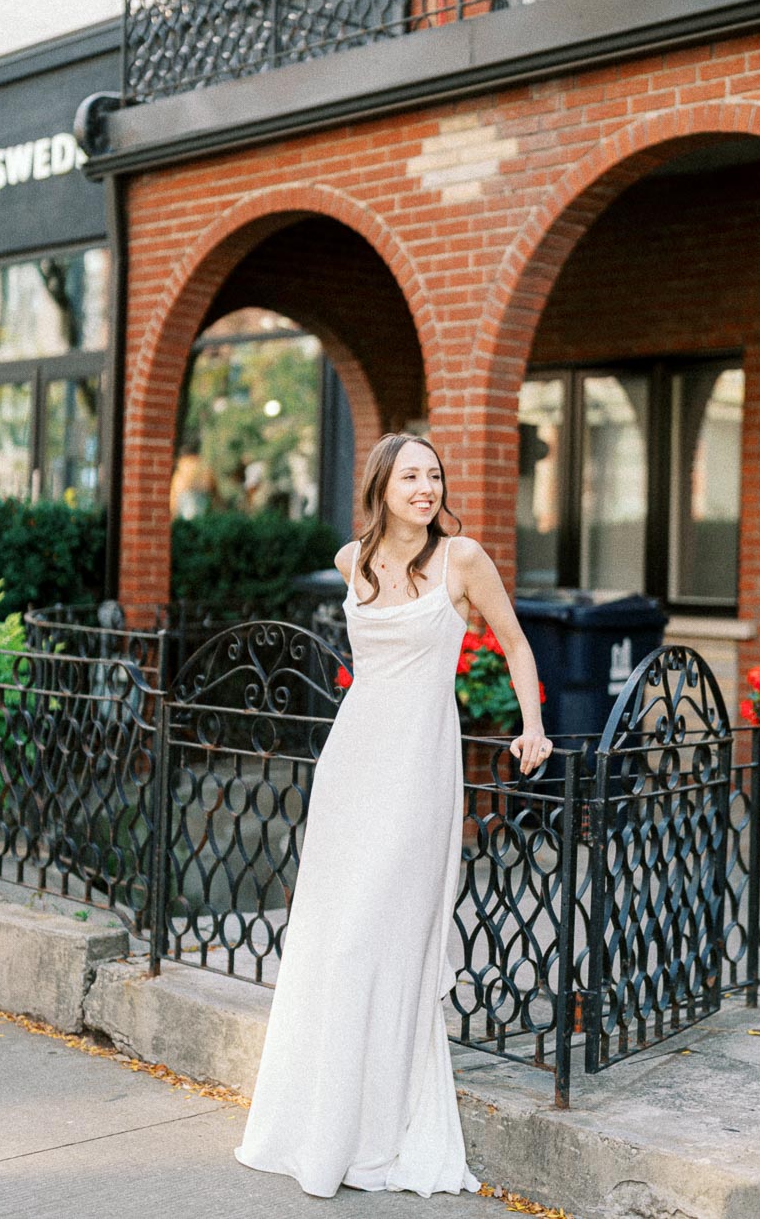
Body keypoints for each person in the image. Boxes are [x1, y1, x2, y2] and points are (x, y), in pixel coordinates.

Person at [234, 431, 553, 1198]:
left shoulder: (463, 559)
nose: (426, 487)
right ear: (381, 486)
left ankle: (378, 1128)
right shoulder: (351, 561)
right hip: (354, 761)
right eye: (410, 476)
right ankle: (319, 1122)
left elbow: (514, 644)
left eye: (434, 475)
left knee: (380, 933)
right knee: (333, 934)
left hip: (419, 765)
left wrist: (533, 723)